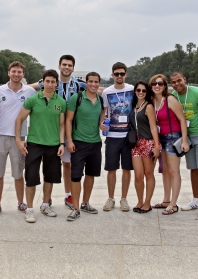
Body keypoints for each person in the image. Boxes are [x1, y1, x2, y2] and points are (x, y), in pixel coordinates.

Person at [30, 55, 87, 210]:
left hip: (71, 129)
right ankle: (47, 199)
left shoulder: (80, 85)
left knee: (67, 163)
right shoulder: (49, 82)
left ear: (73, 68)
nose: (66, 67)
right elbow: (30, 87)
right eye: (64, 64)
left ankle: (68, 194)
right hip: (51, 130)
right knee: (51, 166)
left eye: (69, 65)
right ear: (59, 66)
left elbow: (97, 89)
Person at [16, 69, 66, 223]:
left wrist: (62, 143)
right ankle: (29, 209)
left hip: (52, 144)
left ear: (56, 83)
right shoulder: (33, 99)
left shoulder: (61, 102)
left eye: (53, 81)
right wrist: (18, 140)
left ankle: (45, 204)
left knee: (49, 177)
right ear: (42, 82)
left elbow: (62, 124)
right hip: (35, 143)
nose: (50, 84)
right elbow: (19, 119)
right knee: (31, 177)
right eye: (47, 81)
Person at [0, 61, 36, 217]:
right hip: (0, 135)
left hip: (19, 138)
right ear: (8, 72)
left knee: (18, 173)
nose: (16, 74)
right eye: (14, 71)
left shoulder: (29, 92)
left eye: (19, 72)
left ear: (23, 74)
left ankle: (21, 202)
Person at [64, 72, 105, 221]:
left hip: (95, 143)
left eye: (96, 82)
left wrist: (102, 124)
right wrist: (69, 140)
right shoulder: (77, 97)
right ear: (86, 83)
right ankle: (75, 208)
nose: (94, 84)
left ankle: (85, 203)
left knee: (91, 174)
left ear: (99, 83)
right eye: (91, 81)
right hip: (79, 142)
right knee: (76, 176)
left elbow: (101, 116)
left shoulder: (100, 100)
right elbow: (68, 120)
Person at [170, 72, 198, 217]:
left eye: (179, 80)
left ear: (185, 79)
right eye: (173, 82)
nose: (177, 84)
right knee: (193, 168)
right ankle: (195, 200)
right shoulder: (173, 95)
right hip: (186, 137)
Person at [150, 74, 189, 215]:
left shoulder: (170, 100)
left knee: (174, 171)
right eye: (154, 83)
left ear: (165, 86)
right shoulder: (153, 100)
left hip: (173, 138)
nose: (157, 86)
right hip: (161, 139)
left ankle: (173, 204)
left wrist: (184, 141)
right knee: (165, 171)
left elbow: (182, 120)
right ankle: (166, 200)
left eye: (160, 83)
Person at [100, 62, 134, 212]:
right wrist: (101, 123)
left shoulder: (132, 89)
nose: (119, 76)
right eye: (116, 74)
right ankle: (111, 198)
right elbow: (104, 110)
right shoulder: (107, 92)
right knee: (111, 169)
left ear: (126, 74)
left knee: (127, 169)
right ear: (112, 75)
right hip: (113, 135)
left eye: (122, 73)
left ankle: (124, 199)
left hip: (128, 135)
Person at [129, 81, 160, 214]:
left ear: (147, 93)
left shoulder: (148, 107)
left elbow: (153, 127)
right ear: (135, 91)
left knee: (149, 174)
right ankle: (140, 201)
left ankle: (147, 202)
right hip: (136, 144)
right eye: (138, 90)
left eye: (144, 90)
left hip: (148, 143)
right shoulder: (133, 106)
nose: (141, 92)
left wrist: (157, 146)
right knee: (138, 175)